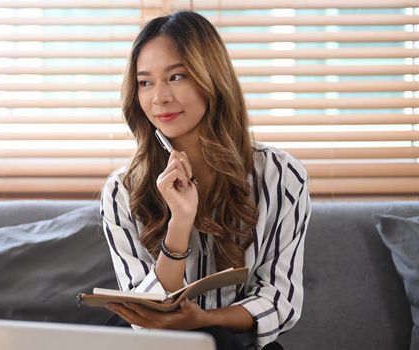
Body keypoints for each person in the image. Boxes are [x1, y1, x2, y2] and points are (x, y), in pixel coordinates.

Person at [100, 11, 311, 350]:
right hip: (153, 345)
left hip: (240, 344)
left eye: (177, 76)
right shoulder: (121, 190)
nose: (159, 98)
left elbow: (279, 300)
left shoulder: (280, 175)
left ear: (211, 77)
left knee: (212, 338)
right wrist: (180, 223)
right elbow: (141, 311)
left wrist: (204, 320)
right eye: (145, 82)